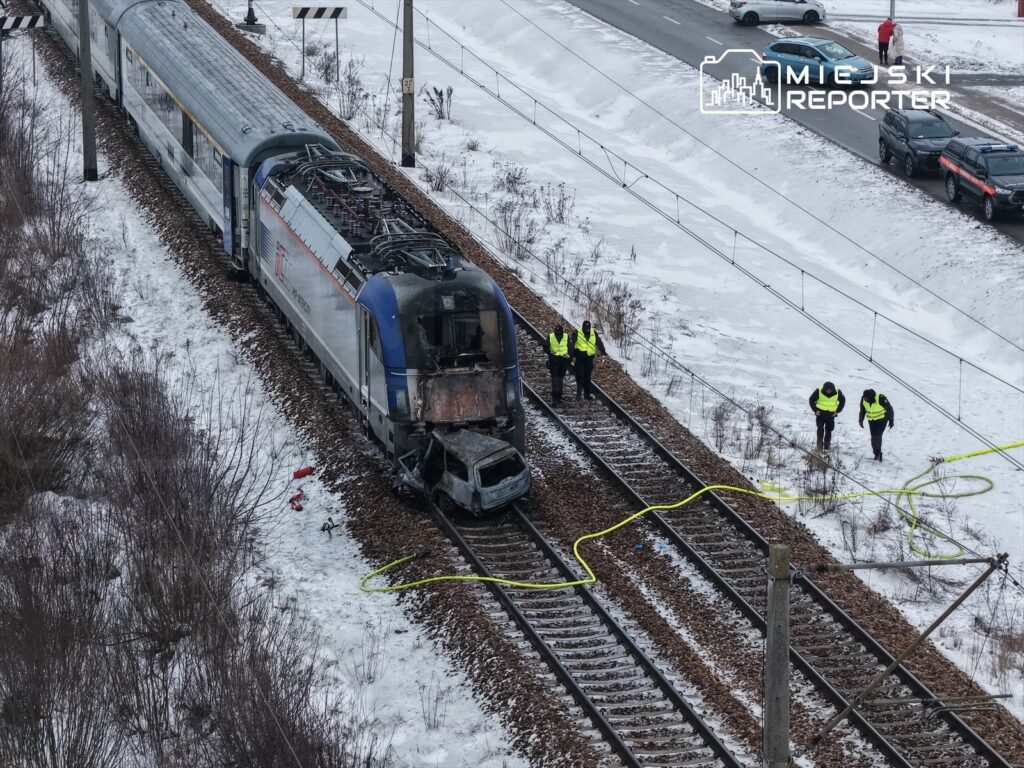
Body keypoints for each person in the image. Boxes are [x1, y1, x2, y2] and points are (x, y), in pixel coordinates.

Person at [569, 320, 606, 401]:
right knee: (580, 375)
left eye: (588, 328)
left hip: (589, 358)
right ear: (583, 327)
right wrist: (571, 355)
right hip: (580, 358)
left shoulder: (593, 332)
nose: (587, 330)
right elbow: (571, 344)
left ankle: (587, 394)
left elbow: (599, 342)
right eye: (585, 328)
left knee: (587, 376)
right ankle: (579, 393)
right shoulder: (577, 332)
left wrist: (602, 352)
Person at [858, 389, 894, 462]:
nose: (865, 399)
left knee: (877, 436)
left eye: (866, 398)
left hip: (882, 420)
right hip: (871, 421)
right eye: (864, 397)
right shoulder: (864, 399)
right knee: (873, 437)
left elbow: (889, 409)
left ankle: (878, 454)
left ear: (871, 397)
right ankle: (876, 453)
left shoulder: (880, 397)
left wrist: (891, 420)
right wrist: (861, 420)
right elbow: (862, 410)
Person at [808, 381, 845, 452]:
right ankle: (819, 447)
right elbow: (811, 400)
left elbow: (843, 400)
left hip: (831, 415)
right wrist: (815, 410)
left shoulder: (837, 391)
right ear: (824, 389)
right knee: (820, 430)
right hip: (820, 414)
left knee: (829, 430)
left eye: (830, 390)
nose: (828, 391)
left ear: (832, 389)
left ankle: (827, 447)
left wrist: (837, 411)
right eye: (827, 390)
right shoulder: (818, 390)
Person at [546, 324, 571, 405]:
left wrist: (569, 355)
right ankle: (554, 398)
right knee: (555, 380)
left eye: (559, 332)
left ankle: (559, 397)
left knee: (560, 379)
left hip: (563, 361)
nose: (558, 333)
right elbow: (545, 347)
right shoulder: (551, 336)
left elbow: (571, 348)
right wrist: (550, 352)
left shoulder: (566, 336)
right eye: (557, 332)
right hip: (554, 360)